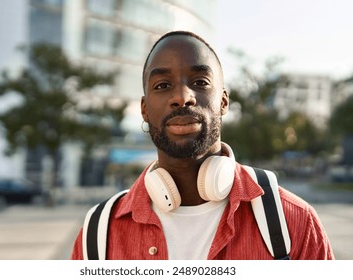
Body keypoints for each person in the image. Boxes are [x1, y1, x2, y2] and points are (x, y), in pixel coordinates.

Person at [71, 30, 334, 260]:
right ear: (144, 109)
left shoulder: (296, 222)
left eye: (200, 83)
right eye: (162, 85)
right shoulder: (97, 235)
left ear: (223, 101)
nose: (182, 97)